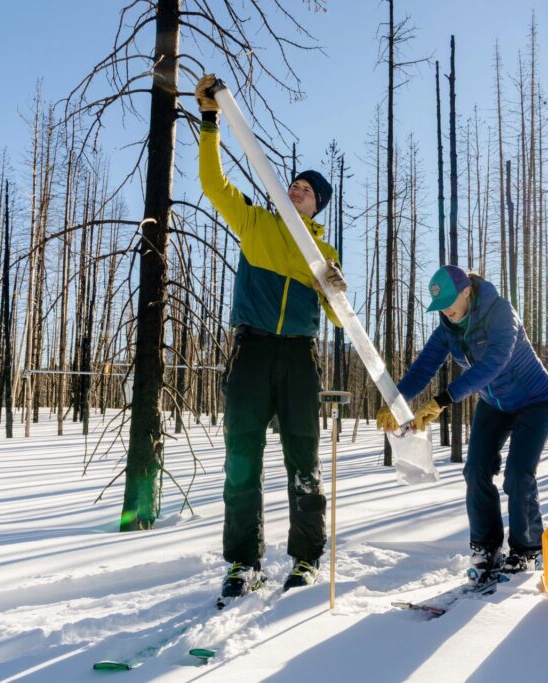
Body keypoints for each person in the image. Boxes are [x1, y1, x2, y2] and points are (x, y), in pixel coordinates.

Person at [195, 74, 347, 602]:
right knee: (242, 462)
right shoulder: (257, 224)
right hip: (252, 350)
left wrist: (333, 288)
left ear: (316, 206)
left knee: (303, 463)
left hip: (300, 358)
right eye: (293, 184)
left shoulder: (322, 256)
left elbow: (337, 315)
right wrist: (210, 121)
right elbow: (214, 186)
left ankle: (305, 559)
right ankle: (242, 563)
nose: (295, 190)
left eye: (306, 190)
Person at [376, 265, 548, 584]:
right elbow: (423, 368)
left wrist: (443, 400)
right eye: (440, 306)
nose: (446, 310)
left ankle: (526, 549)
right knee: (475, 469)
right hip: (495, 406)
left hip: (535, 402)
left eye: (450, 301)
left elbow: (493, 364)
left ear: (466, 291)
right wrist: (395, 401)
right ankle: (487, 548)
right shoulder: (448, 327)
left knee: (518, 473)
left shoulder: (500, 312)